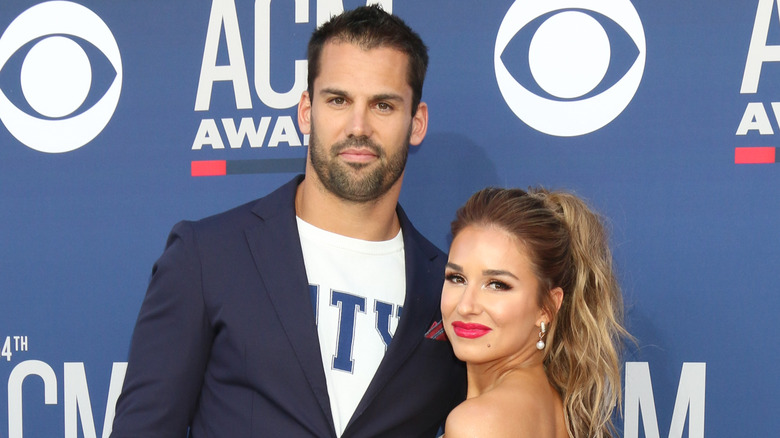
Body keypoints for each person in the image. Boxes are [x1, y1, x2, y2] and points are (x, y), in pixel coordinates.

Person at [110, 6, 464, 437]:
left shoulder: (448, 290)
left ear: (417, 122)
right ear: (306, 112)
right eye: (338, 100)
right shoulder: (206, 257)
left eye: (383, 105)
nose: (358, 126)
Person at [440, 187, 630, 438]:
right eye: (457, 278)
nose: (466, 306)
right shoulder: (557, 408)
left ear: (546, 307)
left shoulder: (478, 424)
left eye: (497, 284)